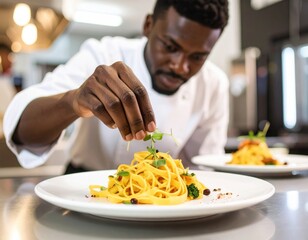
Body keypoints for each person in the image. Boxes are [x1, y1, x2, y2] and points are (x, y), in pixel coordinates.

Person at [4, 0, 230, 173]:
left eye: (198, 57)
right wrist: (74, 101)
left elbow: (203, 168)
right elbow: (22, 127)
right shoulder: (103, 54)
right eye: (170, 47)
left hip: (159, 200)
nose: (180, 67)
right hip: (83, 186)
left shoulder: (213, 85)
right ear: (148, 26)